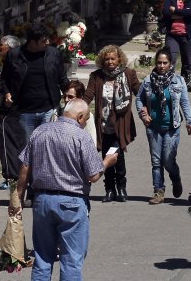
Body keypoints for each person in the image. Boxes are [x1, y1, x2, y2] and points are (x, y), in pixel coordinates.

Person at [10, 99, 116, 281]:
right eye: (86, 119)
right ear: (80, 116)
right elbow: (93, 176)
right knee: (71, 259)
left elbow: (25, 166)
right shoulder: (81, 136)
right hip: (72, 203)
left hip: (42, 201)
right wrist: (107, 161)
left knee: (42, 257)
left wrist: (18, 196)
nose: (85, 123)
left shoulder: (40, 131)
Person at [136, 49, 191, 205]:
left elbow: (185, 103)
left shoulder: (178, 81)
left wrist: (189, 121)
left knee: (168, 159)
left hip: (172, 127)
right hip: (153, 127)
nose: (161, 66)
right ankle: (158, 191)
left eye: (165, 63)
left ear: (170, 64)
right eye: (159, 63)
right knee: (156, 161)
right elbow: (139, 100)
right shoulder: (148, 81)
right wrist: (143, 114)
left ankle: (175, 177)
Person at [84, 45, 141, 203]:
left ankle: (121, 188)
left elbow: (140, 92)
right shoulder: (97, 76)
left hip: (120, 124)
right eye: (107, 59)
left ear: (119, 59)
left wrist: (149, 105)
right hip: (103, 125)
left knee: (117, 155)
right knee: (105, 157)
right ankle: (109, 189)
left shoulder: (128, 74)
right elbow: (89, 94)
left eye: (113, 58)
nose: (110, 62)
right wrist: (79, 107)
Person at [3, 22, 66, 142]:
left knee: (47, 146)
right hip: (24, 112)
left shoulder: (53, 54)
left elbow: (62, 78)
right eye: (43, 40)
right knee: (27, 150)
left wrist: (71, 96)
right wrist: (7, 93)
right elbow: (6, 77)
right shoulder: (14, 55)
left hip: (49, 110)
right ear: (32, 42)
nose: (47, 42)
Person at [0, 35, 26, 191]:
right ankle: (14, 174)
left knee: (8, 142)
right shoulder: (13, 62)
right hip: (16, 108)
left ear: (10, 48)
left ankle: (11, 176)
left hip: (11, 109)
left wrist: (9, 95)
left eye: (1, 46)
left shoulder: (14, 63)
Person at [163, 0, 191, 82]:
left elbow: (190, 12)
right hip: (172, 35)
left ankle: (185, 83)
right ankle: (168, 82)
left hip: (186, 35)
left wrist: (175, 11)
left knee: (187, 61)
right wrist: (181, 13)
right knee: (170, 59)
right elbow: (165, 12)